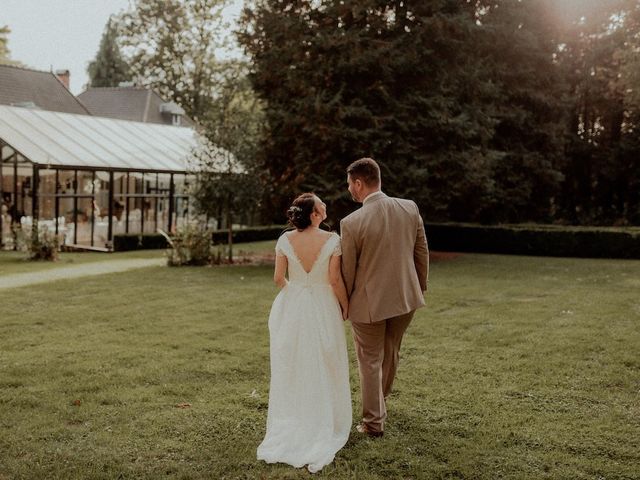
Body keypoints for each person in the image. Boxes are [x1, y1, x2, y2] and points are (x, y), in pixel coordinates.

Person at [257, 193, 352, 473]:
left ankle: (297, 416)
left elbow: (278, 278)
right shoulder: (333, 240)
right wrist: (345, 306)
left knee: (294, 362)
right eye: (321, 204)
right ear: (313, 214)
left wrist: (296, 291)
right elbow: (334, 280)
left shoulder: (285, 240)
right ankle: (324, 418)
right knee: (327, 358)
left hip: (293, 304)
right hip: (324, 305)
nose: (325, 206)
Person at [340, 157, 429, 437]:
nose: (349, 191)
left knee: (370, 359)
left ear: (358, 183)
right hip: (406, 298)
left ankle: (373, 423)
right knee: (390, 352)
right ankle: (380, 403)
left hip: (369, 303)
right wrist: (419, 286)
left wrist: (345, 303)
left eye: (350, 185)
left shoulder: (351, 222)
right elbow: (421, 252)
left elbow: (348, 270)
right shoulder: (409, 207)